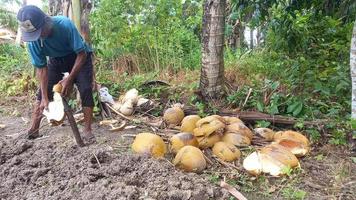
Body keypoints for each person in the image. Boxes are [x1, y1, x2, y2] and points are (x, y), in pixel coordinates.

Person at [17, 5, 95, 142]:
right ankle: (34, 130)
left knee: (86, 88)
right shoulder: (33, 42)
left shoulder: (64, 24)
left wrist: (70, 79)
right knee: (42, 94)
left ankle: (88, 130)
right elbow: (42, 69)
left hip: (78, 56)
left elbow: (81, 54)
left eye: (40, 32)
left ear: (46, 21)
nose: (38, 37)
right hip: (56, 59)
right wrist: (45, 97)